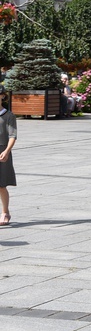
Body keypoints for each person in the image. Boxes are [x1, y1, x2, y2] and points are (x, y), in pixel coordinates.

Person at [0, 85, 17, 226]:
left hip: (2, 152)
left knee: (1, 185)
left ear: (2, 96)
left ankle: (5, 212)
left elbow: (12, 136)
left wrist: (6, 151)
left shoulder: (9, 115)